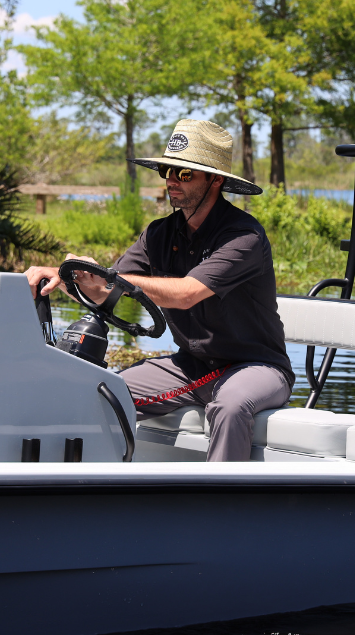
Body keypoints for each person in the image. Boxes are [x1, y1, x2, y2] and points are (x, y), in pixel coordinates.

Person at [25, 119, 293, 461]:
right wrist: (68, 276)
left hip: (257, 367)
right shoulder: (158, 234)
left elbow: (186, 293)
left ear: (216, 180)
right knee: (103, 393)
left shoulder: (244, 237)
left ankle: (223, 510)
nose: (171, 180)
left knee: (229, 405)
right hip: (191, 364)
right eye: (167, 170)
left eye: (184, 173)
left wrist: (106, 277)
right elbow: (108, 291)